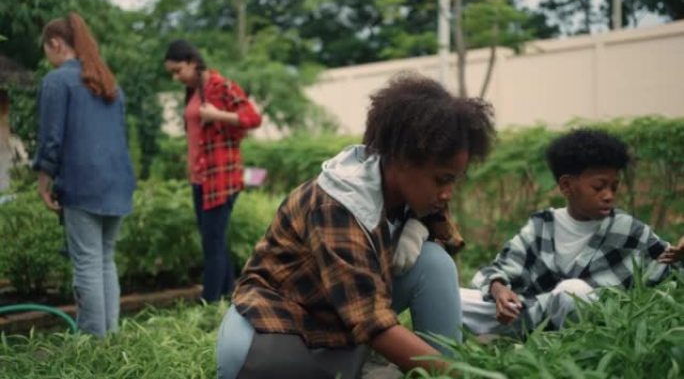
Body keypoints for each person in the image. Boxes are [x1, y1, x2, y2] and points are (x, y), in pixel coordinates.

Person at [216, 74, 496, 379]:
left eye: (453, 180)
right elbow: (372, 323)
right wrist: (461, 376)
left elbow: (446, 245)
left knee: (433, 261)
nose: (447, 194)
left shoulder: (412, 193)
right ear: (402, 159)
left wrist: (419, 229)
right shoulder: (338, 204)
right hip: (269, 336)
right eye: (442, 180)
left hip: (329, 321)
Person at [461, 129, 684, 337]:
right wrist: (499, 291)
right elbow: (498, 269)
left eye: (614, 187)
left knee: (572, 291)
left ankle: (549, 346)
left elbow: (671, 270)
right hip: (532, 314)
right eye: (599, 187)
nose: (608, 195)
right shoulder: (542, 226)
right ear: (567, 186)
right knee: (454, 298)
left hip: (597, 325)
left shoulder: (629, 230)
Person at [33, 12, 136, 337]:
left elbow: (51, 138)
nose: (48, 59)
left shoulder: (57, 81)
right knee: (104, 260)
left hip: (84, 184)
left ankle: (93, 344)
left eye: (46, 51)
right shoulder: (108, 83)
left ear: (55, 43)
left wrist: (44, 181)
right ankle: (110, 338)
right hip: (117, 183)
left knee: (89, 263)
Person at [163, 40, 262, 302]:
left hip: (222, 178)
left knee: (212, 243)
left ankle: (209, 303)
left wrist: (219, 115)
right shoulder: (195, 90)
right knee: (215, 241)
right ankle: (230, 294)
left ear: (193, 63)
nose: (176, 78)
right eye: (171, 73)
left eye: (178, 70)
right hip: (201, 179)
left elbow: (253, 118)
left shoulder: (222, 87)